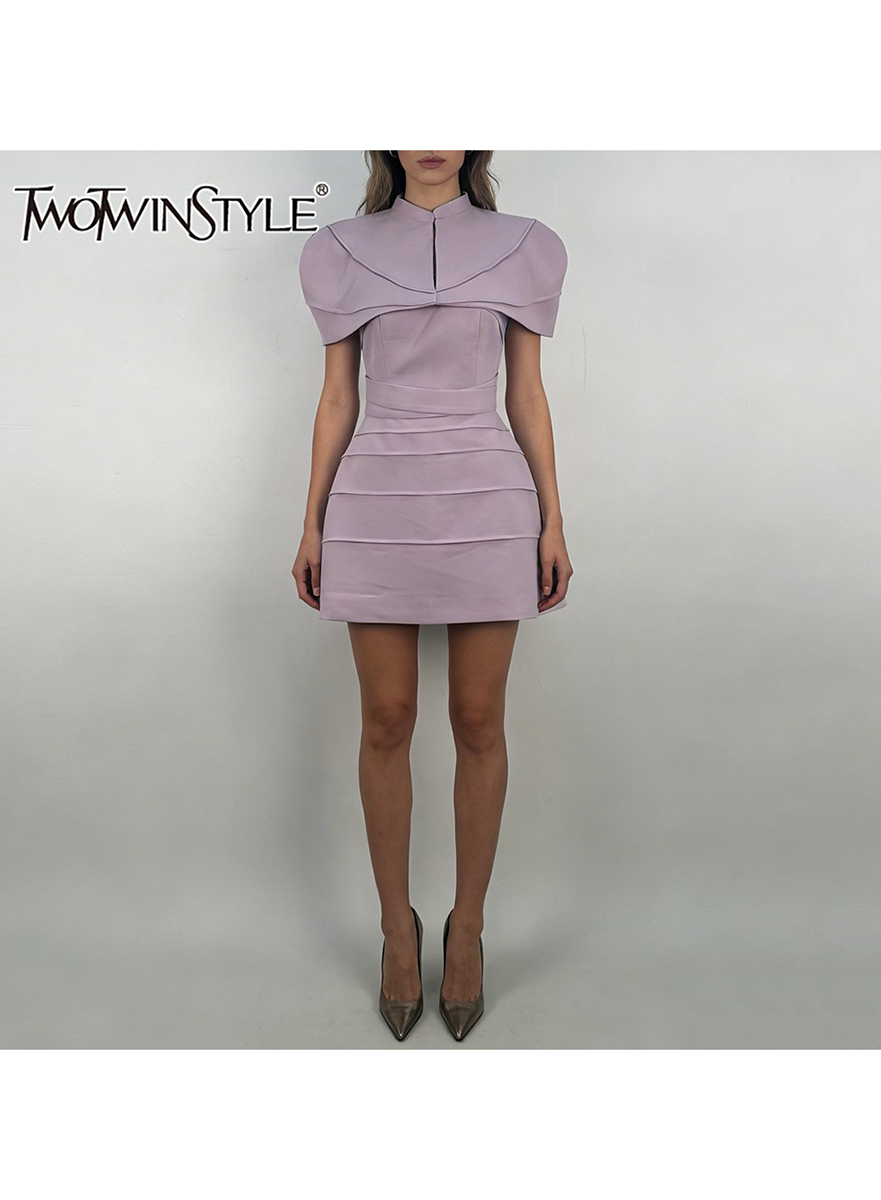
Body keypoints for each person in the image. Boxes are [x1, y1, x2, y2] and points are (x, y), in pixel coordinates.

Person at [292, 151, 572, 1041]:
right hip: (376, 495)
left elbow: (527, 394)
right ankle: (396, 932)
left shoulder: (523, 245)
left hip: (488, 495)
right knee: (387, 719)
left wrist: (553, 521)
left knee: (479, 720)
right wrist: (312, 524)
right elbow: (337, 399)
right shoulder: (342, 248)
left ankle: (469, 931)